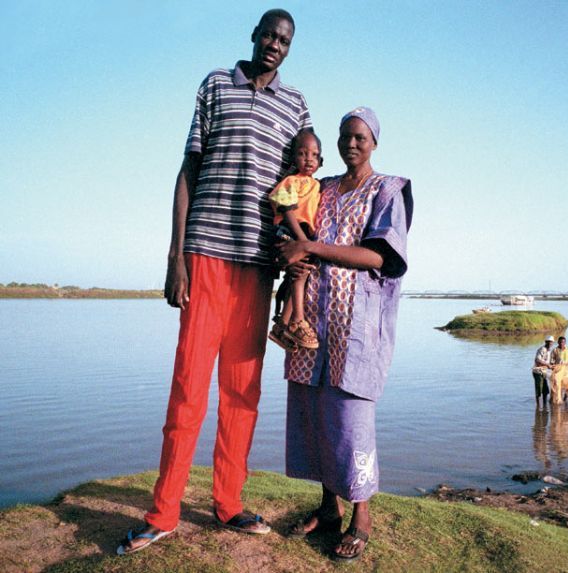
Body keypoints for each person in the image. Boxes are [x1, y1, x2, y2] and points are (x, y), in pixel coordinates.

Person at [117, 9, 312, 555]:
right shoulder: (214, 85)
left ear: (290, 49)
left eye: (285, 40)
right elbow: (188, 170)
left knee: (243, 392)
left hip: (257, 263)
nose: (275, 44)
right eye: (269, 35)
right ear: (254, 36)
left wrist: (295, 257)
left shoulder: (297, 106)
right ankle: (164, 512)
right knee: (187, 389)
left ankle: (228, 502)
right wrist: (174, 255)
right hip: (204, 254)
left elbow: (300, 185)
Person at [276, 107, 413, 562]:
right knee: (317, 416)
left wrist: (311, 246)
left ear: (374, 142)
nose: (350, 144)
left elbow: (380, 258)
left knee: (351, 421)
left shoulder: (386, 190)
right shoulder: (324, 187)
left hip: (356, 326)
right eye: (344, 136)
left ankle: (361, 518)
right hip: (312, 322)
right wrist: (292, 256)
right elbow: (294, 223)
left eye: (359, 137)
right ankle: (327, 508)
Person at [268, 129, 322, 350]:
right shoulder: (290, 181)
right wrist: (303, 241)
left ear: (321, 160)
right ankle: (297, 319)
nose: (308, 159)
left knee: (299, 276)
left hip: (304, 235)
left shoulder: (317, 185)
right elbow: (287, 211)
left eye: (314, 155)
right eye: (302, 154)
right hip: (290, 230)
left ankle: (282, 325)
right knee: (300, 274)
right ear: (293, 158)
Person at [532, 335, 554, 408]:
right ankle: (538, 406)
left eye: (551, 343)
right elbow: (537, 360)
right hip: (538, 372)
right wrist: (547, 365)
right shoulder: (542, 349)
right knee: (539, 390)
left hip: (544, 372)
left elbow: (549, 362)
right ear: (545, 342)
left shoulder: (549, 351)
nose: (550, 344)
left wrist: (552, 366)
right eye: (549, 342)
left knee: (545, 391)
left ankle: (544, 405)